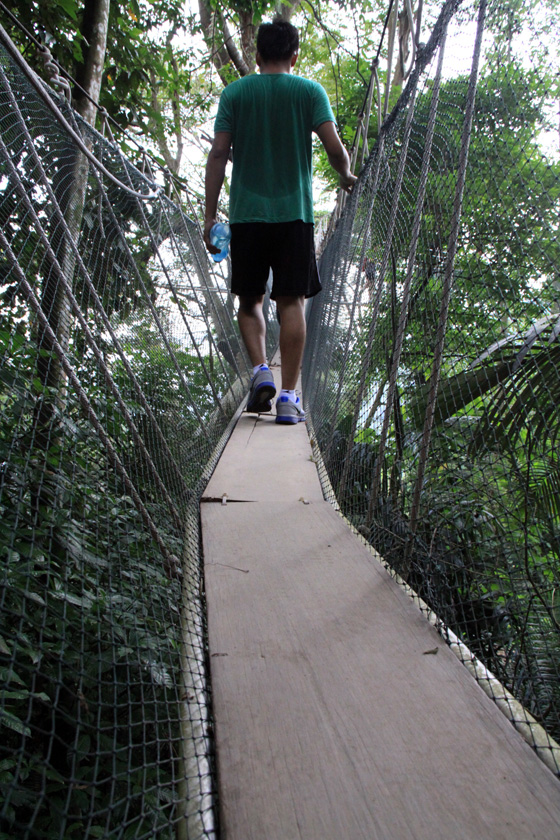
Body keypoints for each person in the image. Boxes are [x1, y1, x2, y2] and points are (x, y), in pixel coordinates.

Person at [204, 18, 356, 425]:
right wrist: (346, 176)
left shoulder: (235, 93)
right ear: (295, 55)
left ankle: (260, 372)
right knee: (292, 302)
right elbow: (334, 148)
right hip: (294, 216)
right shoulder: (309, 92)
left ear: (256, 55)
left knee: (249, 299)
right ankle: (288, 399)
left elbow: (218, 155)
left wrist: (209, 215)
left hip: (247, 217)